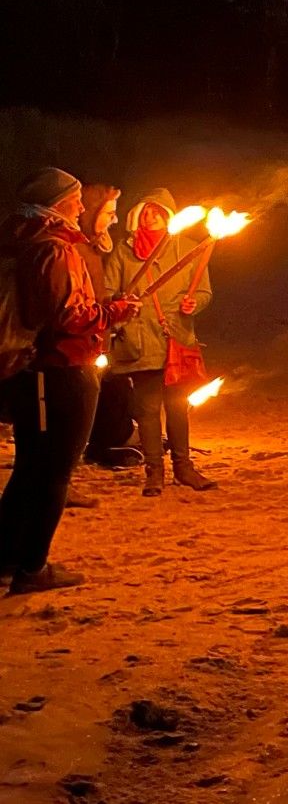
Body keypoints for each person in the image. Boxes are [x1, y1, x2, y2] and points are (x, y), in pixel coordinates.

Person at [0, 169, 139, 594]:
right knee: (53, 473)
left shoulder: (26, 239)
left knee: (30, 469)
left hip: (36, 372)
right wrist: (113, 312)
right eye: (76, 199)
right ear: (59, 204)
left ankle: (5, 558)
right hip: (59, 371)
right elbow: (69, 317)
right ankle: (33, 568)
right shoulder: (54, 249)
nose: (82, 206)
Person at [104, 189, 217, 495]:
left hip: (175, 340)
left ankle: (184, 468)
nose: (150, 217)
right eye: (145, 212)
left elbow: (204, 292)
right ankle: (154, 472)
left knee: (178, 408)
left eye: (156, 212)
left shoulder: (189, 248)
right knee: (148, 410)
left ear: (168, 216)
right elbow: (107, 290)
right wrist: (122, 300)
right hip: (139, 341)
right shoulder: (123, 253)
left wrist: (196, 303)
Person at [76, 184, 140, 469]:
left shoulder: (92, 247)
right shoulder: (74, 249)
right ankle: (98, 446)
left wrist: (115, 302)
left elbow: (95, 294)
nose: (115, 220)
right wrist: (112, 310)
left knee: (112, 387)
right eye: (109, 213)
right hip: (76, 341)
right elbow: (75, 302)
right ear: (90, 213)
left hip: (94, 335)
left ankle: (108, 441)